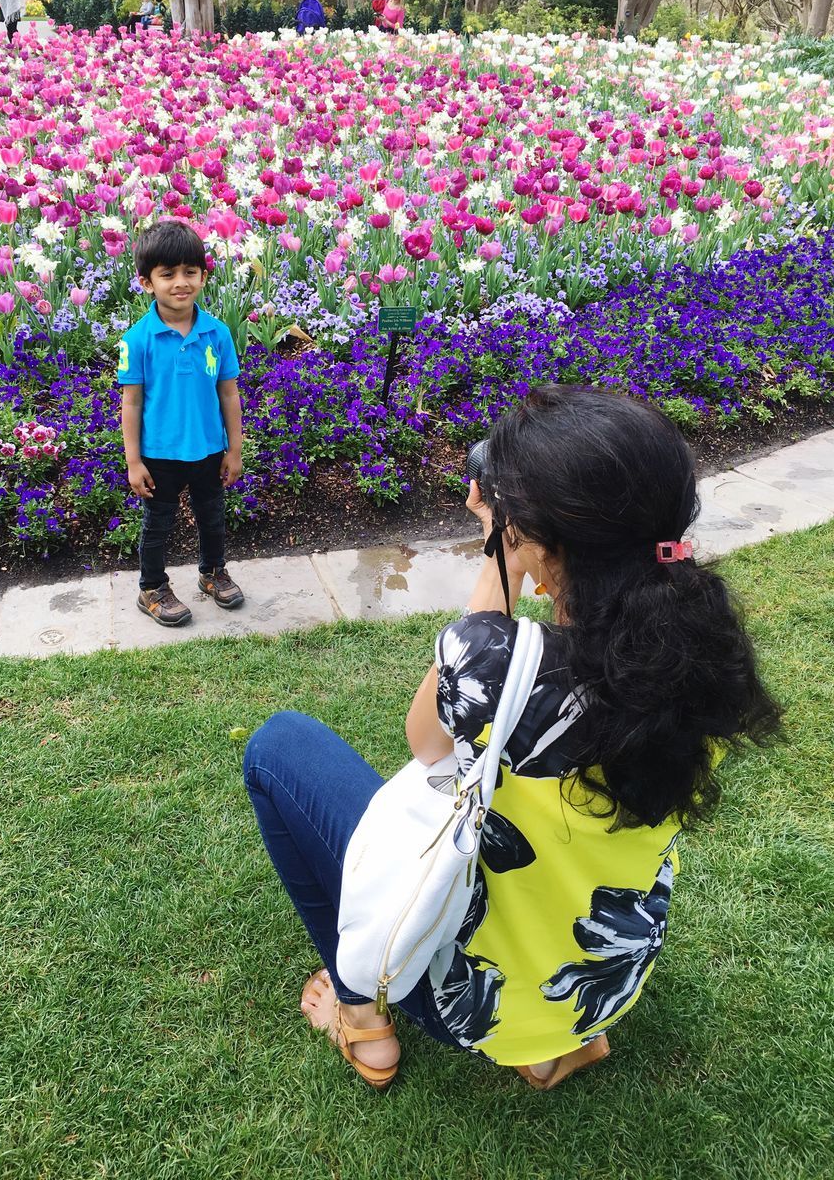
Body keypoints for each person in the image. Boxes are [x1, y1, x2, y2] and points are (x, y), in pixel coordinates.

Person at [244, 385, 780, 1091]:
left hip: (474, 1001)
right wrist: (528, 533)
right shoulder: (706, 653)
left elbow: (428, 741)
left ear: (541, 539)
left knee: (278, 747)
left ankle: (363, 1020)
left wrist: (501, 554)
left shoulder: (507, 666)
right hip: (601, 977)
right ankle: (555, 1048)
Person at [117, 220, 245, 626]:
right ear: (146, 282)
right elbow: (132, 403)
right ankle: (151, 587)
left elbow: (228, 393)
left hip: (208, 448)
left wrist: (234, 448)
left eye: (190, 272)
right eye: (167, 274)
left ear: (204, 276)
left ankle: (212, 572)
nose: (180, 283)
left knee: (213, 517)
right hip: (160, 455)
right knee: (158, 526)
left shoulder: (217, 333)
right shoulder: (138, 339)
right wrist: (134, 461)